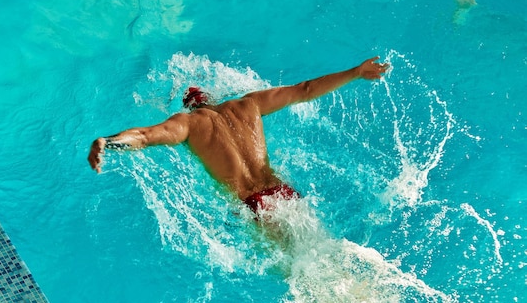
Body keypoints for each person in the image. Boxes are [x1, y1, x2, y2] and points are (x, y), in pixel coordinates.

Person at [88, 57, 389, 215]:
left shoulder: (188, 124)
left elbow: (144, 136)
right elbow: (305, 89)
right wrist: (356, 72)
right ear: (212, 97)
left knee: (313, 289)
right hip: (285, 195)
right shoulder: (250, 104)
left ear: (189, 106)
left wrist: (108, 142)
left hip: (255, 205)